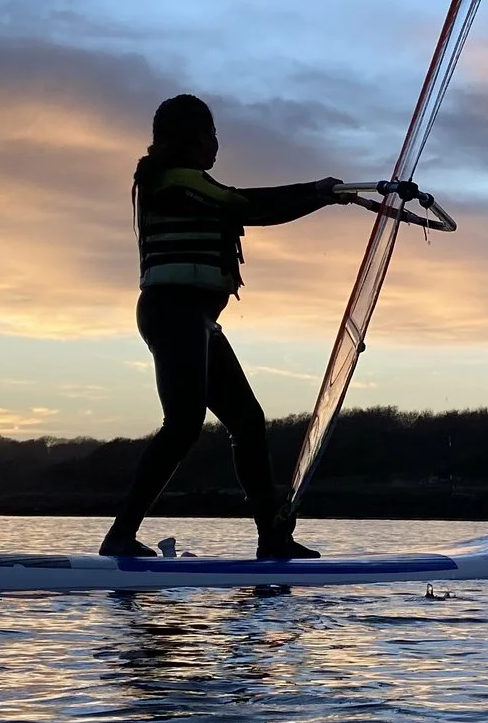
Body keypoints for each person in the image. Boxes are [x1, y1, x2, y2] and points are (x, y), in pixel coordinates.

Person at [101, 93, 364, 560]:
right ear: (191, 139)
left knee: (247, 421)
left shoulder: (186, 181)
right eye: (211, 135)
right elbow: (244, 206)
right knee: (183, 424)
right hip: (172, 313)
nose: (216, 145)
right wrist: (318, 192)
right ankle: (119, 536)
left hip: (196, 320)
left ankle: (272, 538)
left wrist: (321, 195)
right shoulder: (172, 182)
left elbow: (236, 203)